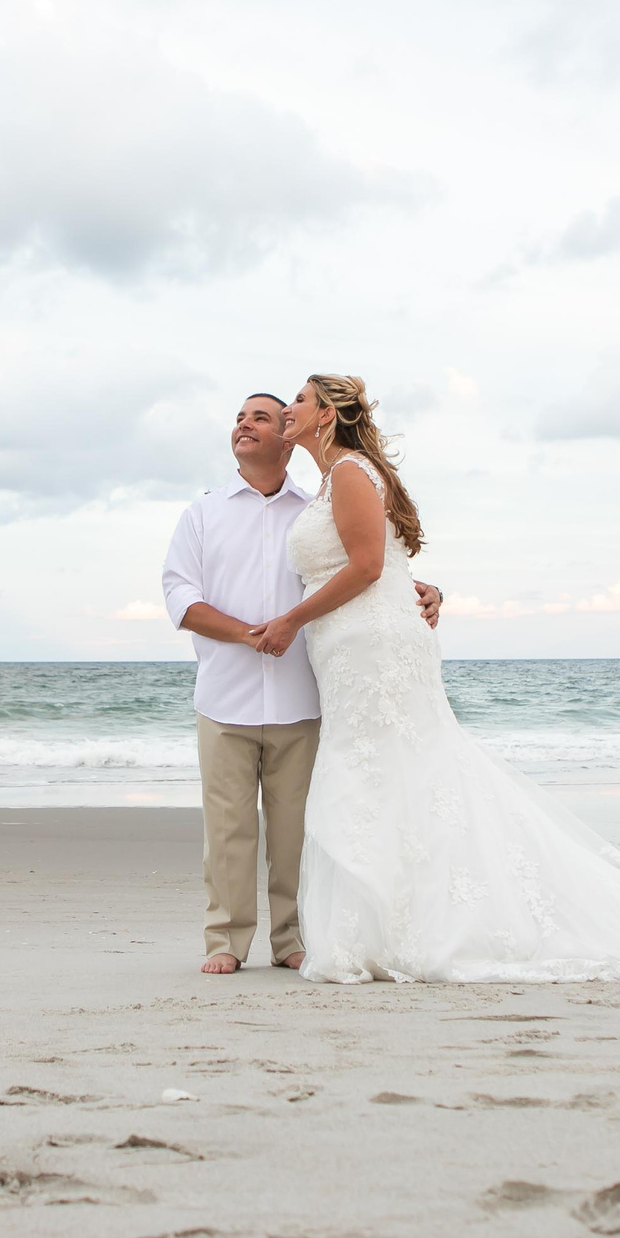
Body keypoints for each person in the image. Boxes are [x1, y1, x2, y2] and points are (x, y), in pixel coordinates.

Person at [246, 374, 620, 985]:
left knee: (392, 768)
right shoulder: (337, 479)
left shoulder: (352, 472)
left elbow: (368, 564)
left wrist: (292, 620)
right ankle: (389, 922)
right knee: (392, 771)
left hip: (373, 648)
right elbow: (384, 567)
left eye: (299, 401)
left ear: (326, 415)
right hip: (354, 647)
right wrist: (420, 591)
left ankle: (407, 926)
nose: (289, 409)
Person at [160, 392, 440, 974]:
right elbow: (180, 597)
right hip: (224, 696)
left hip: (302, 695)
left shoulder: (315, 503)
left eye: (261, 417)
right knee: (228, 832)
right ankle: (226, 942)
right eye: (240, 417)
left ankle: (290, 939)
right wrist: (245, 634)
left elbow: (366, 560)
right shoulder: (203, 511)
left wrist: (426, 590)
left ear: (287, 437)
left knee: (295, 831)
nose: (246, 424)